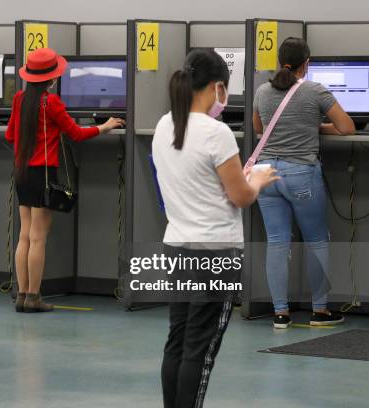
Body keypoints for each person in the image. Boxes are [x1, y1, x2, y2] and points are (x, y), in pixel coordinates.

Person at [152, 49, 278, 408]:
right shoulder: (216, 133)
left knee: (177, 340)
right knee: (201, 349)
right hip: (216, 253)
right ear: (219, 87)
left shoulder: (165, 125)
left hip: (177, 248)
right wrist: (258, 179)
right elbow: (240, 196)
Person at [5, 48, 124, 312]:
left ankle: (22, 296)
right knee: (38, 238)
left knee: (24, 236)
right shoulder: (52, 103)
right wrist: (104, 126)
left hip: (22, 172)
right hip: (43, 172)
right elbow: (76, 134)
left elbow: (10, 136)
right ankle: (35, 298)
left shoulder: (19, 99)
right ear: (52, 78)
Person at [253, 37, 356, 329]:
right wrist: (316, 126)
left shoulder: (263, 90)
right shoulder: (315, 90)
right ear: (306, 64)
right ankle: (320, 311)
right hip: (300, 173)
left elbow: (258, 128)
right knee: (315, 240)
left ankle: (280, 313)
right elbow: (347, 127)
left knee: (276, 242)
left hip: (266, 174)